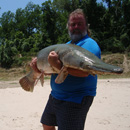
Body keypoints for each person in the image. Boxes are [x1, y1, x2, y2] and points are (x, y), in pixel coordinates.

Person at [30, 9, 101, 130]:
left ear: (86, 26)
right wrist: (38, 69)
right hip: (56, 96)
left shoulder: (89, 44)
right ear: (68, 26)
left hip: (75, 98)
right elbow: (53, 70)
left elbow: (85, 71)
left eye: (80, 23)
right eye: (73, 24)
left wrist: (57, 64)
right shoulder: (67, 45)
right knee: (47, 124)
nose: (76, 27)